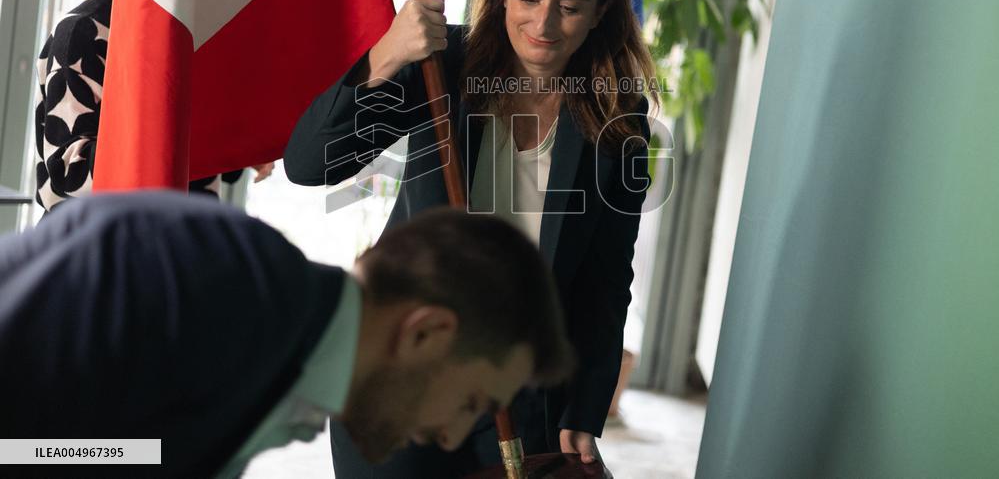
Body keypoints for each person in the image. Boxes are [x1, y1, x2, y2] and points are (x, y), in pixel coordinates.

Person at [285, 0, 655, 477]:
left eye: (570, 7)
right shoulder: (443, 66)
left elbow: (607, 278)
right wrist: (388, 53)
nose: (544, 25)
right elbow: (310, 163)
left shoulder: (616, 113)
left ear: (601, 12)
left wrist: (586, 407)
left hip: (518, 394)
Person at [0, 191, 573, 477]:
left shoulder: (273, 344)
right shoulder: (204, 269)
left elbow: (101, 455)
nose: (451, 438)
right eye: (470, 403)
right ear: (425, 334)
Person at [33, 0, 270, 213]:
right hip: (102, 247)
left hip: (179, 242)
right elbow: (71, 176)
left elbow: (213, 163)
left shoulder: (187, 33)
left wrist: (243, 145)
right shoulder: (83, 31)